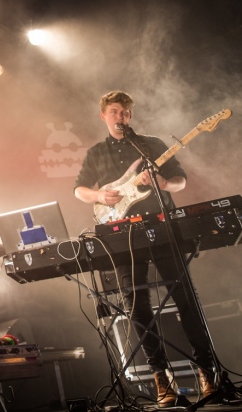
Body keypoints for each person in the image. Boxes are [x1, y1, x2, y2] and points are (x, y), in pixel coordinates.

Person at [74, 90, 217, 407]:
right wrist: (100, 196)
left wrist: (164, 185)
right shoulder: (96, 152)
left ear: (131, 115)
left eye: (124, 112)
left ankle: (208, 373)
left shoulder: (150, 144)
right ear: (103, 116)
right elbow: (79, 189)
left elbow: (180, 179)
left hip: (162, 227)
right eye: (114, 112)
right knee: (137, 306)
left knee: (185, 298)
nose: (120, 117)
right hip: (123, 235)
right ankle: (161, 379)